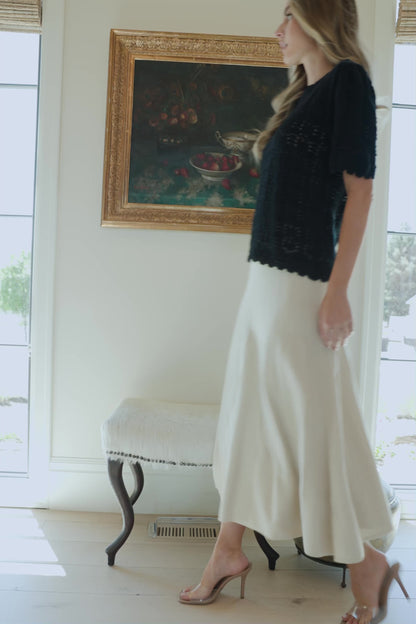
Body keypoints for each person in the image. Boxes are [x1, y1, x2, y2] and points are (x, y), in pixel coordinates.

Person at [179, 2, 409, 622]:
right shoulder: (303, 97)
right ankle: (228, 550)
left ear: (319, 17)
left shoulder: (349, 85)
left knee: (305, 428)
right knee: (251, 419)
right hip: (266, 281)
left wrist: (338, 290)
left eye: (288, 16)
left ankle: (366, 565)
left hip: (302, 285)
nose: (277, 31)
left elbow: (361, 192)